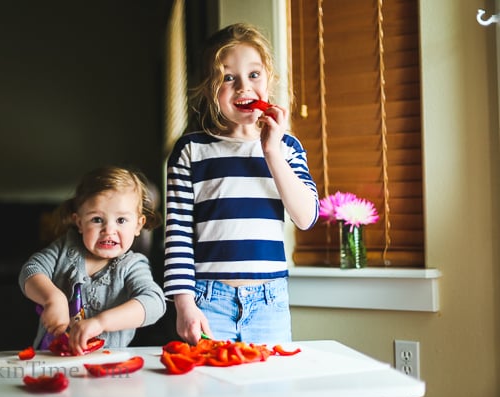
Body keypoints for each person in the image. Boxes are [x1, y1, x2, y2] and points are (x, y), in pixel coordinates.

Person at [163, 23, 319, 345]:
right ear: (209, 89)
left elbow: (306, 217)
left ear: (269, 80)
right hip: (208, 301)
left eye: (254, 75)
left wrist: (271, 151)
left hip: (269, 303)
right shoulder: (190, 151)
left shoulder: (287, 147)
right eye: (228, 77)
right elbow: (177, 234)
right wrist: (184, 304)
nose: (243, 87)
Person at [19, 166, 166, 354]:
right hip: (50, 357)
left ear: (138, 225)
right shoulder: (65, 248)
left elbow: (154, 302)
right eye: (97, 219)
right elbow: (30, 270)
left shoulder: (132, 266)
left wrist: (101, 322)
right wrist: (52, 299)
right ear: (79, 222)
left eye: (121, 220)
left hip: (105, 365)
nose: (109, 230)